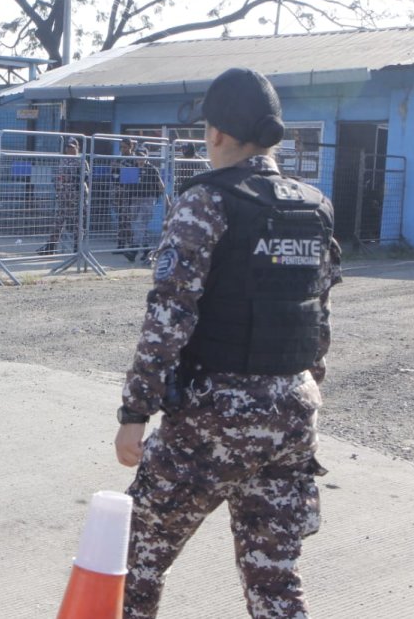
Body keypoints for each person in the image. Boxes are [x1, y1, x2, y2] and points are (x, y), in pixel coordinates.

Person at [114, 67, 342, 619]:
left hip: (216, 415)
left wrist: (134, 414)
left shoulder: (205, 202)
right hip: (292, 412)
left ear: (215, 134)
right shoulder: (313, 205)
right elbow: (319, 312)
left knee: (134, 560)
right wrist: (309, 386)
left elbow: (169, 315)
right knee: (275, 578)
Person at [113, 138, 165, 263]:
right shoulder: (132, 168)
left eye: (142, 156)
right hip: (134, 199)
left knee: (140, 224)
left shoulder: (152, 169)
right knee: (138, 225)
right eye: (138, 156)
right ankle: (147, 250)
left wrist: (162, 198)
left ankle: (133, 250)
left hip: (147, 199)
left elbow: (161, 186)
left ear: (146, 156)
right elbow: (123, 183)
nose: (139, 158)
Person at [39, 138, 87, 256]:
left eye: (72, 147)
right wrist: (57, 186)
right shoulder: (63, 160)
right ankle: (51, 246)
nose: (69, 150)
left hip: (75, 199)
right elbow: (56, 176)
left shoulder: (81, 161)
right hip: (62, 198)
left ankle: (78, 248)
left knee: (77, 223)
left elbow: (85, 178)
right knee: (58, 222)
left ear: (77, 148)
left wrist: (78, 191)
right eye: (68, 147)